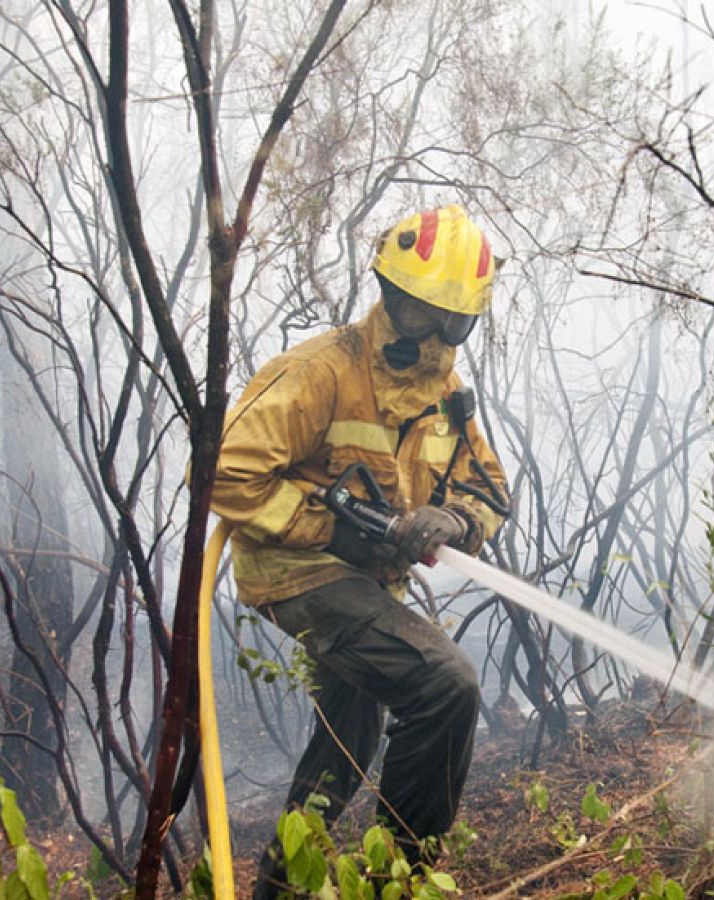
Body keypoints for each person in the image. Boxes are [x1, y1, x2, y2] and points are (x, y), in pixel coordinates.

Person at [211, 205, 509, 898]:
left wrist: (453, 521)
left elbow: (490, 490)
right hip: (299, 573)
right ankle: (399, 886)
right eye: (418, 312)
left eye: (453, 321)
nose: (434, 336)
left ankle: (279, 890)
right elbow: (225, 472)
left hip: (369, 585)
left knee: (348, 736)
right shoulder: (321, 371)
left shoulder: (449, 399)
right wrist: (333, 529)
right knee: (443, 684)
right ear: (389, 294)